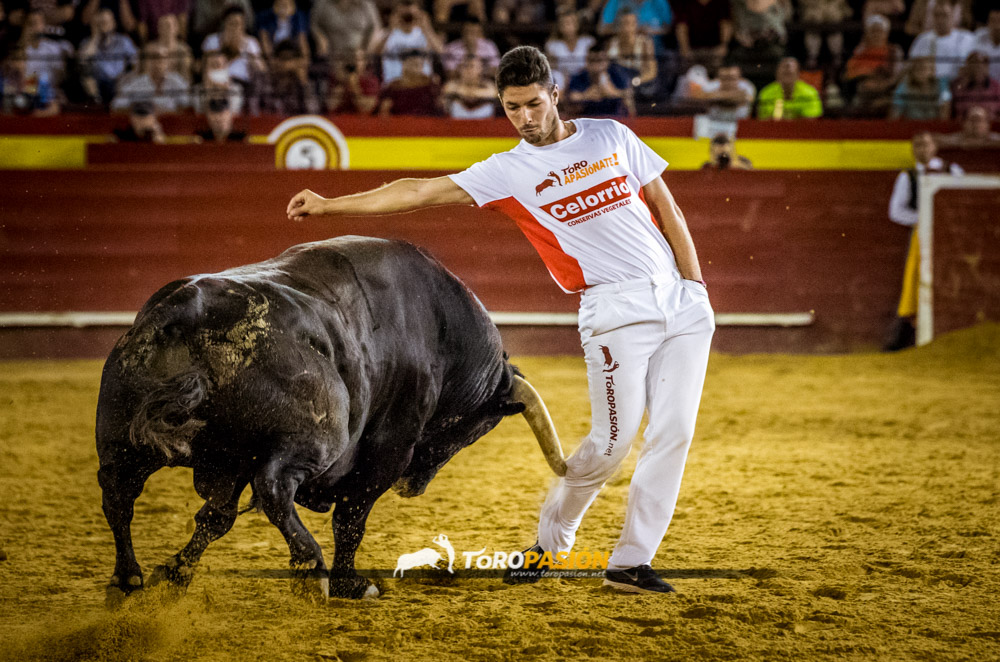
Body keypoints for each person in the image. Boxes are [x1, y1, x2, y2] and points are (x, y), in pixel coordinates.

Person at [287, 45, 715, 595]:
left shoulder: (611, 135)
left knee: (674, 434)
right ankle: (550, 547)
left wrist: (695, 286)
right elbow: (419, 191)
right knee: (612, 444)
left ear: (555, 95)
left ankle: (631, 561)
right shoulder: (508, 170)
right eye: (513, 108)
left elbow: (667, 207)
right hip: (613, 311)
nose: (526, 118)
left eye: (534, 104)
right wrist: (330, 205)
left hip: (680, 303)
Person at [884, 131, 963, 351]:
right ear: (912, 150)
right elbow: (896, 211)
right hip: (922, 237)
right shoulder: (907, 176)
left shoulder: (953, 171)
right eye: (917, 146)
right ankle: (906, 338)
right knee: (915, 282)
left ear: (934, 147)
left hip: (953, 238)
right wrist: (925, 219)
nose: (922, 149)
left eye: (926, 145)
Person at [78, 8, 137, 104]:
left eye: (106, 22)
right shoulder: (88, 43)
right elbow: (82, 60)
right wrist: (95, 37)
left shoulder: (123, 41)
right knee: (86, 77)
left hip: (119, 82)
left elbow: (136, 61)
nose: (104, 26)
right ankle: (96, 103)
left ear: (113, 23)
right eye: (100, 23)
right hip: (96, 84)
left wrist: (126, 77)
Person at [908, 0, 975, 83]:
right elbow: (911, 67)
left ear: (953, 16)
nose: (940, 20)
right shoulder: (922, 39)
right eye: (937, 15)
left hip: (956, 86)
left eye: (944, 15)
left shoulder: (966, 38)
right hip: (929, 86)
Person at [111, 42, 190, 112]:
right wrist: (140, 108)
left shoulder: (176, 81)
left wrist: (165, 111)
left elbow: (189, 103)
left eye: (160, 58)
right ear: (147, 62)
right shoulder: (138, 83)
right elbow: (116, 104)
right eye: (152, 58)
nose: (156, 63)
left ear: (167, 62)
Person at [568, 44, 633, 117]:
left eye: (599, 60)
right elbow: (571, 97)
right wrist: (585, 95)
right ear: (586, 61)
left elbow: (628, 95)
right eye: (592, 61)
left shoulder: (616, 74)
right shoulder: (579, 76)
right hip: (587, 118)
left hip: (614, 118)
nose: (596, 65)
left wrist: (612, 92)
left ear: (607, 61)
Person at [375, 49, 441, 116]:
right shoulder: (393, 86)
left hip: (426, 123)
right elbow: (381, 112)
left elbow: (439, 110)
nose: (416, 68)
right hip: (399, 124)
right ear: (403, 65)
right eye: (413, 64)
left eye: (419, 65)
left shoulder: (430, 85)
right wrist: (384, 110)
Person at [756, 56, 823, 119]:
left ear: (798, 74)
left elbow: (812, 120)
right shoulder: (766, 93)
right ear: (776, 74)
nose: (787, 69)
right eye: (784, 74)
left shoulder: (810, 93)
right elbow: (763, 120)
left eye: (790, 74)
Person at [545, 8, 596, 88]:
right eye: (565, 23)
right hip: (562, 79)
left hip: (585, 77)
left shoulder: (588, 42)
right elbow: (551, 66)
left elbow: (593, 62)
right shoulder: (552, 45)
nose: (568, 26)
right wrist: (565, 75)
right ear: (559, 27)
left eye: (571, 22)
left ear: (578, 24)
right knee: (556, 76)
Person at [442, 53, 496, 118]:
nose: (468, 70)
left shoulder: (487, 85)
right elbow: (448, 90)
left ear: (480, 69)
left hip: (485, 124)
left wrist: (467, 93)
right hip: (457, 123)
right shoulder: (452, 84)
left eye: (472, 66)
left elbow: (494, 93)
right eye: (465, 66)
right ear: (460, 69)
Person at [950, 50, 1000, 118]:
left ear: (987, 67)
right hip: (964, 125)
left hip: (989, 125)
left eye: (981, 63)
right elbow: (955, 110)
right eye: (973, 63)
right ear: (967, 66)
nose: (977, 67)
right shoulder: (957, 85)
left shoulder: (996, 87)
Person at [973, 9, 1000, 81]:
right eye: (993, 21)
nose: (997, 26)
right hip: (985, 86)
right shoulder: (979, 35)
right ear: (988, 23)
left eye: (999, 21)